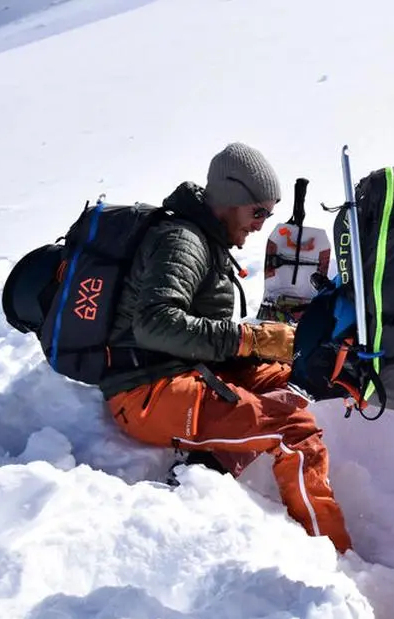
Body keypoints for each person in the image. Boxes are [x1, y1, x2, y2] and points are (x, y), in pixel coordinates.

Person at [102, 142, 353, 554]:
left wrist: (270, 347)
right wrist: (248, 338)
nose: (260, 225)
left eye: (267, 215)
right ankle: (332, 555)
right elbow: (154, 323)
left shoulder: (204, 238)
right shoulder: (183, 242)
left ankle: (210, 464)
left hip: (185, 368)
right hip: (147, 390)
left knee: (296, 380)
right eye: (257, 212)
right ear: (230, 199)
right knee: (294, 431)